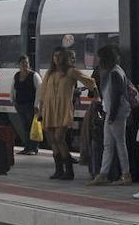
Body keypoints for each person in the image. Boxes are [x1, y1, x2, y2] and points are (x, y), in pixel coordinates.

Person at [38, 47, 96, 181]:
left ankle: (69, 170)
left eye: (59, 56)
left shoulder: (71, 72)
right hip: (49, 108)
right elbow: (43, 93)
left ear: (64, 57)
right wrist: (40, 110)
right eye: (54, 56)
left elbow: (90, 81)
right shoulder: (50, 73)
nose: (57, 59)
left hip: (63, 109)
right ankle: (59, 170)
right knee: (53, 140)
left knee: (59, 138)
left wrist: (95, 94)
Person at [88, 45, 133, 186]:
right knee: (108, 144)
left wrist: (112, 115)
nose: (98, 60)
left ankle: (126, 174)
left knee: (120, 143)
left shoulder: (115, 73)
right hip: (111, 112)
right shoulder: (113, 71)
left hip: (116, 113)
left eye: (100, 57)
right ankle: (103, 173)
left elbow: (116, 96)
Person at [12, 55, 41, 155]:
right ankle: (27, 147)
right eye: (23, 63)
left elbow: (39, 90)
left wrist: (37, 104)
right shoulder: (17, 75)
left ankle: (33, 148)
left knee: (33, 127)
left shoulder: (34, 75)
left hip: (31, 105)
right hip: (20, 104)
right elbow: (13, 89)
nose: (25, 65)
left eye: (26, 63)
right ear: (19, 64)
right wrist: (13, 101)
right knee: (25, 127)